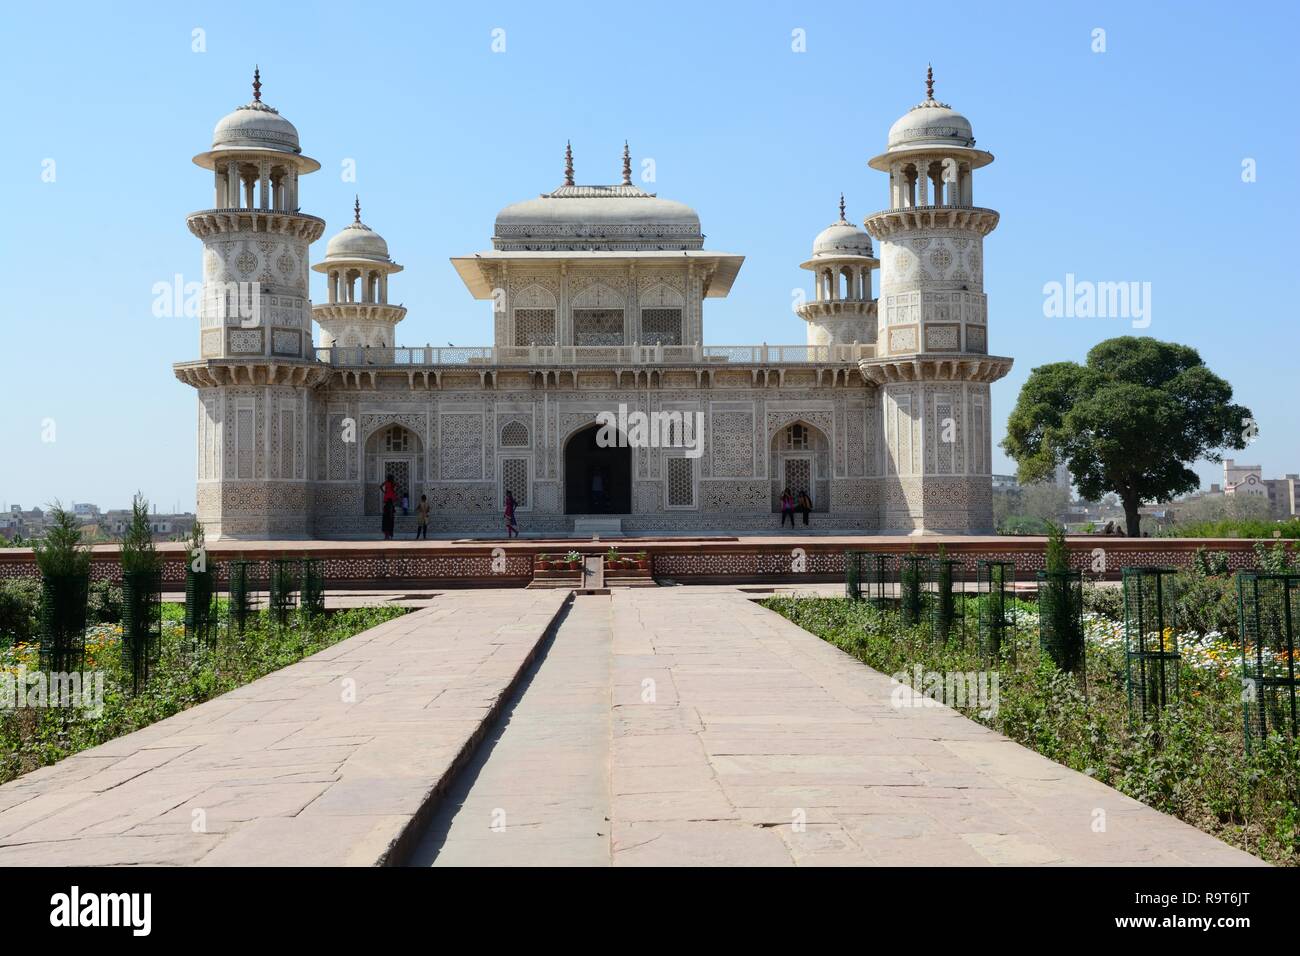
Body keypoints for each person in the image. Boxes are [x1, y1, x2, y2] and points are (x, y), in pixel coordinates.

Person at [381, 475, 397, 540]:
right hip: (390, 499)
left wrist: (384, 492)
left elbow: (380, 486)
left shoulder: (386, 482)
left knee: (386, 521)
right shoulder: (393, 483)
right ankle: (390, 535)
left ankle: (387, 535)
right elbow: (398, 486)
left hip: (387, 498)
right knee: (390, 521)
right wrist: (394, 491)